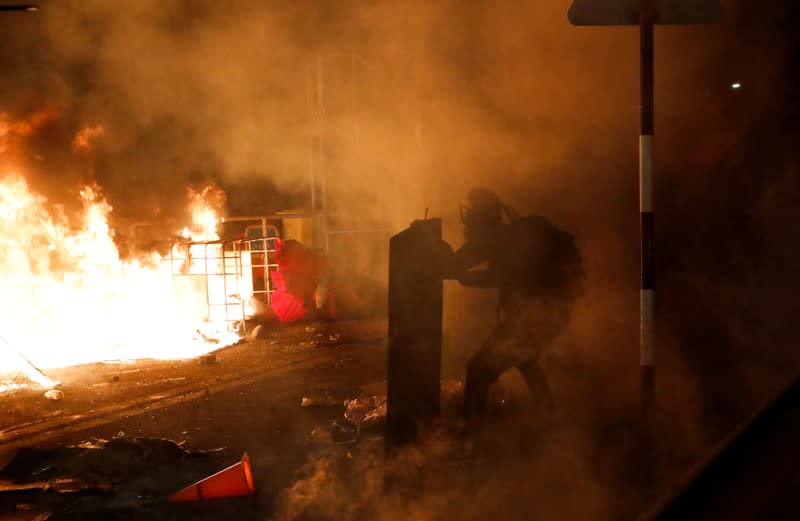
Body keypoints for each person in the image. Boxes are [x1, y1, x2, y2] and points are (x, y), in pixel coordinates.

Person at [446, 189, 585, 421]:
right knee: (525, 358)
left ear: (471, 217)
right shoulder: (510, 235)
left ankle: (472, 435)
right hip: (549, 316)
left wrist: (435, 253)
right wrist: (465, 276)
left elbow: (455, 265)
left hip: (529, 320)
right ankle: (550, 417)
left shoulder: (491, 239)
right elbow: (499, 275)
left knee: (478, 370)